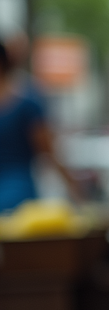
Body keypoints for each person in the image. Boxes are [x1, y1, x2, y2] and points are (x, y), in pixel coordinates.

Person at [0, 42, 80, 211]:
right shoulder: (28, 102)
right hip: (18, 195)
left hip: (15, 195)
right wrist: (77, 193)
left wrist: (75, 190)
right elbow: (50, 153)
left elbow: (49, 151)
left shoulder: (27, 103)